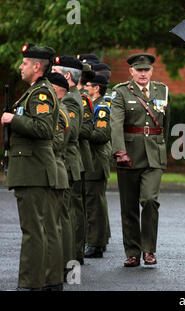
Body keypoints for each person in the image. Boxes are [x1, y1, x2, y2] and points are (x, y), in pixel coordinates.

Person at [1, 43, 61, 290]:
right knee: (43, 228)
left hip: (33, 170)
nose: (20, 67)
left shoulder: (41, 94)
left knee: (33, 230)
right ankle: (50, 280)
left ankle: (30, 283)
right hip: (34, 169)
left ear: (37, 66)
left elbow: (44, 129)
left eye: (24, 63)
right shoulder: (35, 91)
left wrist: (13, 118)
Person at [111, 53, 170, 267]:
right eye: (139, 70)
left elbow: (166, 123)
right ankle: (133, 252)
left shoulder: (162, 90)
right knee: (129, 206)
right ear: (131, 72)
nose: (143, 74)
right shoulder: (121, 92)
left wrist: (163, 148)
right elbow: (115, 123)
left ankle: (149, 250)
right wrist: (119, 151)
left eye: (147, 70)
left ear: (151, 71)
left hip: (154, 154)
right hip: (129, 154)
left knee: (149, 200)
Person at [52, 55, 91, 265]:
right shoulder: (73, 96)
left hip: (68, 161)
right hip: (70, 161)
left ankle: (71, 257)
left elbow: (71, 131)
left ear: (67, 76)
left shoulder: (69, 98)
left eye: (56, 74)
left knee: (69, 213)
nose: (51, 77)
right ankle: (73, 256)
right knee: (71, 211)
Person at [47, 72, 72, 286]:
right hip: (56, 168)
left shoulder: (59, 112)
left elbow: (57, 142)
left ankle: (63, 267)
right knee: (60, 220)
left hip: (56, 169)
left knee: (58, 222)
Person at [84, 74, 112, 258]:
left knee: (95, 206)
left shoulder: (101, 107)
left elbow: (101, 134)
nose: (85, 87)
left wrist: (82, 132)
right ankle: (96, 241)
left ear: (96, 88)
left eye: (87, 85)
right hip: (91, 161)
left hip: (95, 161)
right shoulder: (92, 104)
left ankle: (95, 244)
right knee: (92, 204)